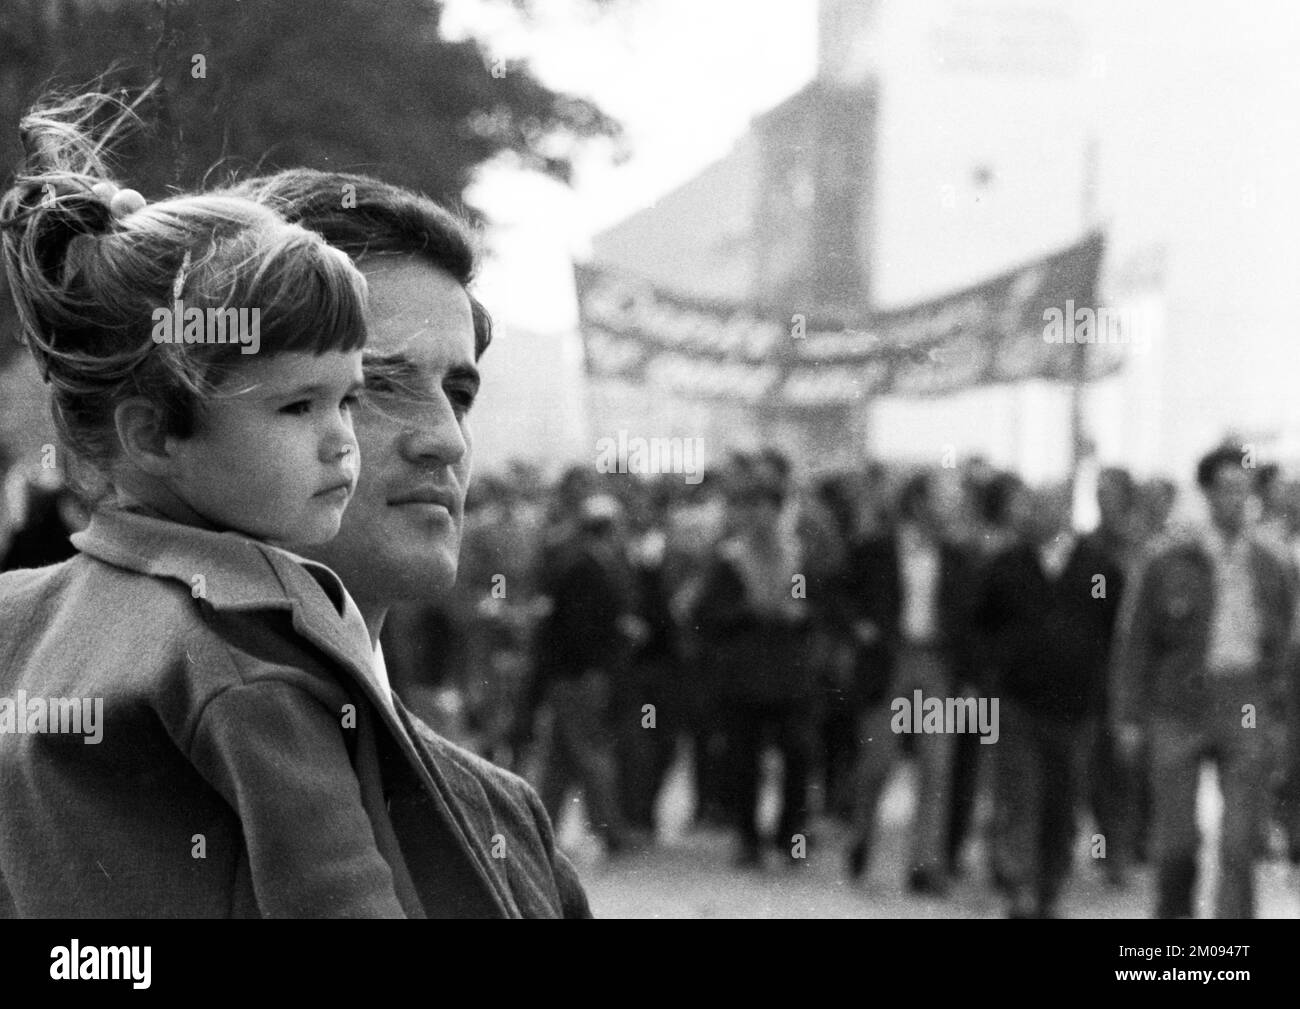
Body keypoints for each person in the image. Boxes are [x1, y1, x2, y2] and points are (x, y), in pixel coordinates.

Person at [0, 88, 384, 916]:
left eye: (348, 398)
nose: (342, 438)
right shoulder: (246, 654)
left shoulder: (12, 617)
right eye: (296, 405)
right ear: (153, 434)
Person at [227, 166, 590, 916]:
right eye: (380, 382)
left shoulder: (507, 825)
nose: (447, 440)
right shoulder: (76, 766)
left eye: (459, 394)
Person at [1112, 444, 1294, 918]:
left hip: (1245, 699)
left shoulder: (1271, 562)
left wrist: (1278, 718)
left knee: (1238, 842)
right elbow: (1135, 642)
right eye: (1227, 489)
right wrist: (1129, 715)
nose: (1238, 499)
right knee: (1175, 840)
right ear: (1208, 493)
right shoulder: (1168, 558)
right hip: (1178, 701)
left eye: (1245, 489)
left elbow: (1283, 649)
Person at [973, 482, 1124, 918]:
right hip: (1017, 702)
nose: (1035, 516)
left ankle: (1050, 883)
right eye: (1031, 508)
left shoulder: (1096, 569)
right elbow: (982, 622)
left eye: (1046, 507)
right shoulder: (1006, 566)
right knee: (1020, 795)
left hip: (1075, 706)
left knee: (1062, 800)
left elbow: (1108, 625)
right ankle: (1019, 884)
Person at [693, 455, 814, 868]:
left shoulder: (797, 557)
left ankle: (789, 834)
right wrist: (748, 611)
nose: (761, 518)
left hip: (788, 671)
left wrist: (798, 613)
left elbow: (810, 603)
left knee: (797, 754)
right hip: (744, 673)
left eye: (768, 508)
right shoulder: (730, 559)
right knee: (744, 760)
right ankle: (748, 837)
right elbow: (707, 615)